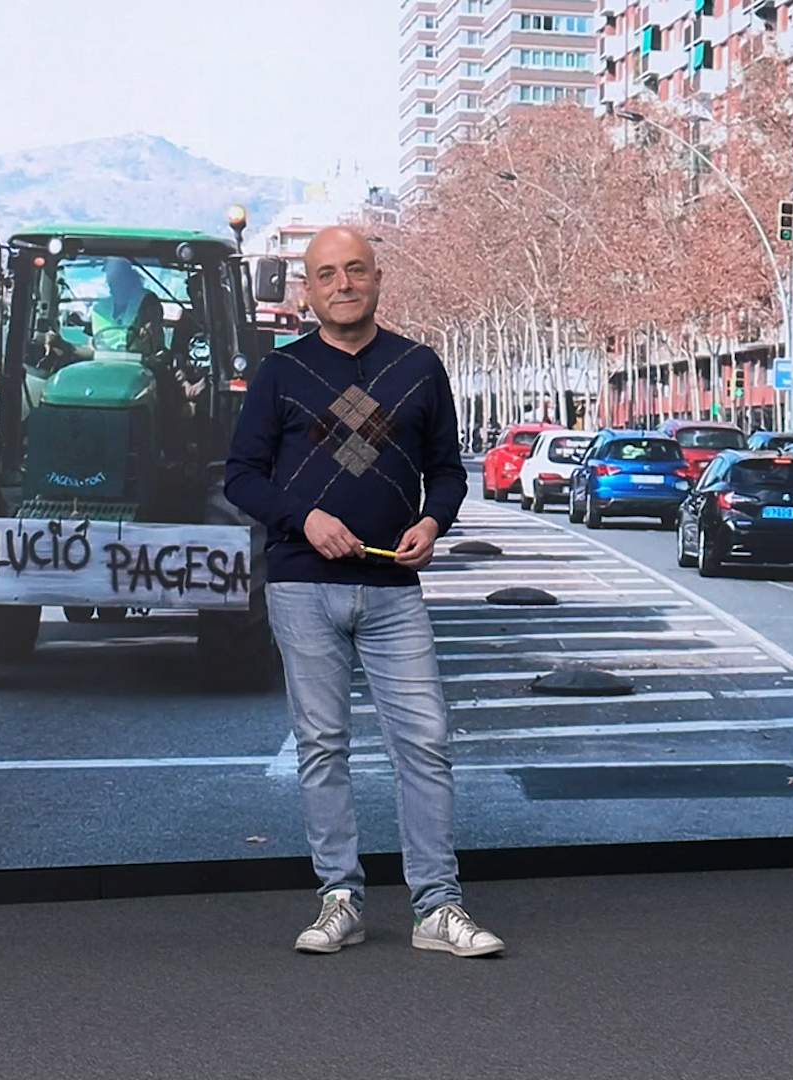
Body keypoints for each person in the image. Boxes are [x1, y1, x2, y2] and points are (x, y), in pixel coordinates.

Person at [224, 226, 505, 960]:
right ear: (307, 291)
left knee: (426, 743)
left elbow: (447, 469)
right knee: (323, 746)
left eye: (354, 271)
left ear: (377, 280)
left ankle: (438, 909)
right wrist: (303, 516)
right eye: (325, 275)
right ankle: (339, 897)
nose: (341, 284)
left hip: (394, 588)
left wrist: (434, 521)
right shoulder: (281, 372)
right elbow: (242, 476)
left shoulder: (418, 367)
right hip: (302, 586)